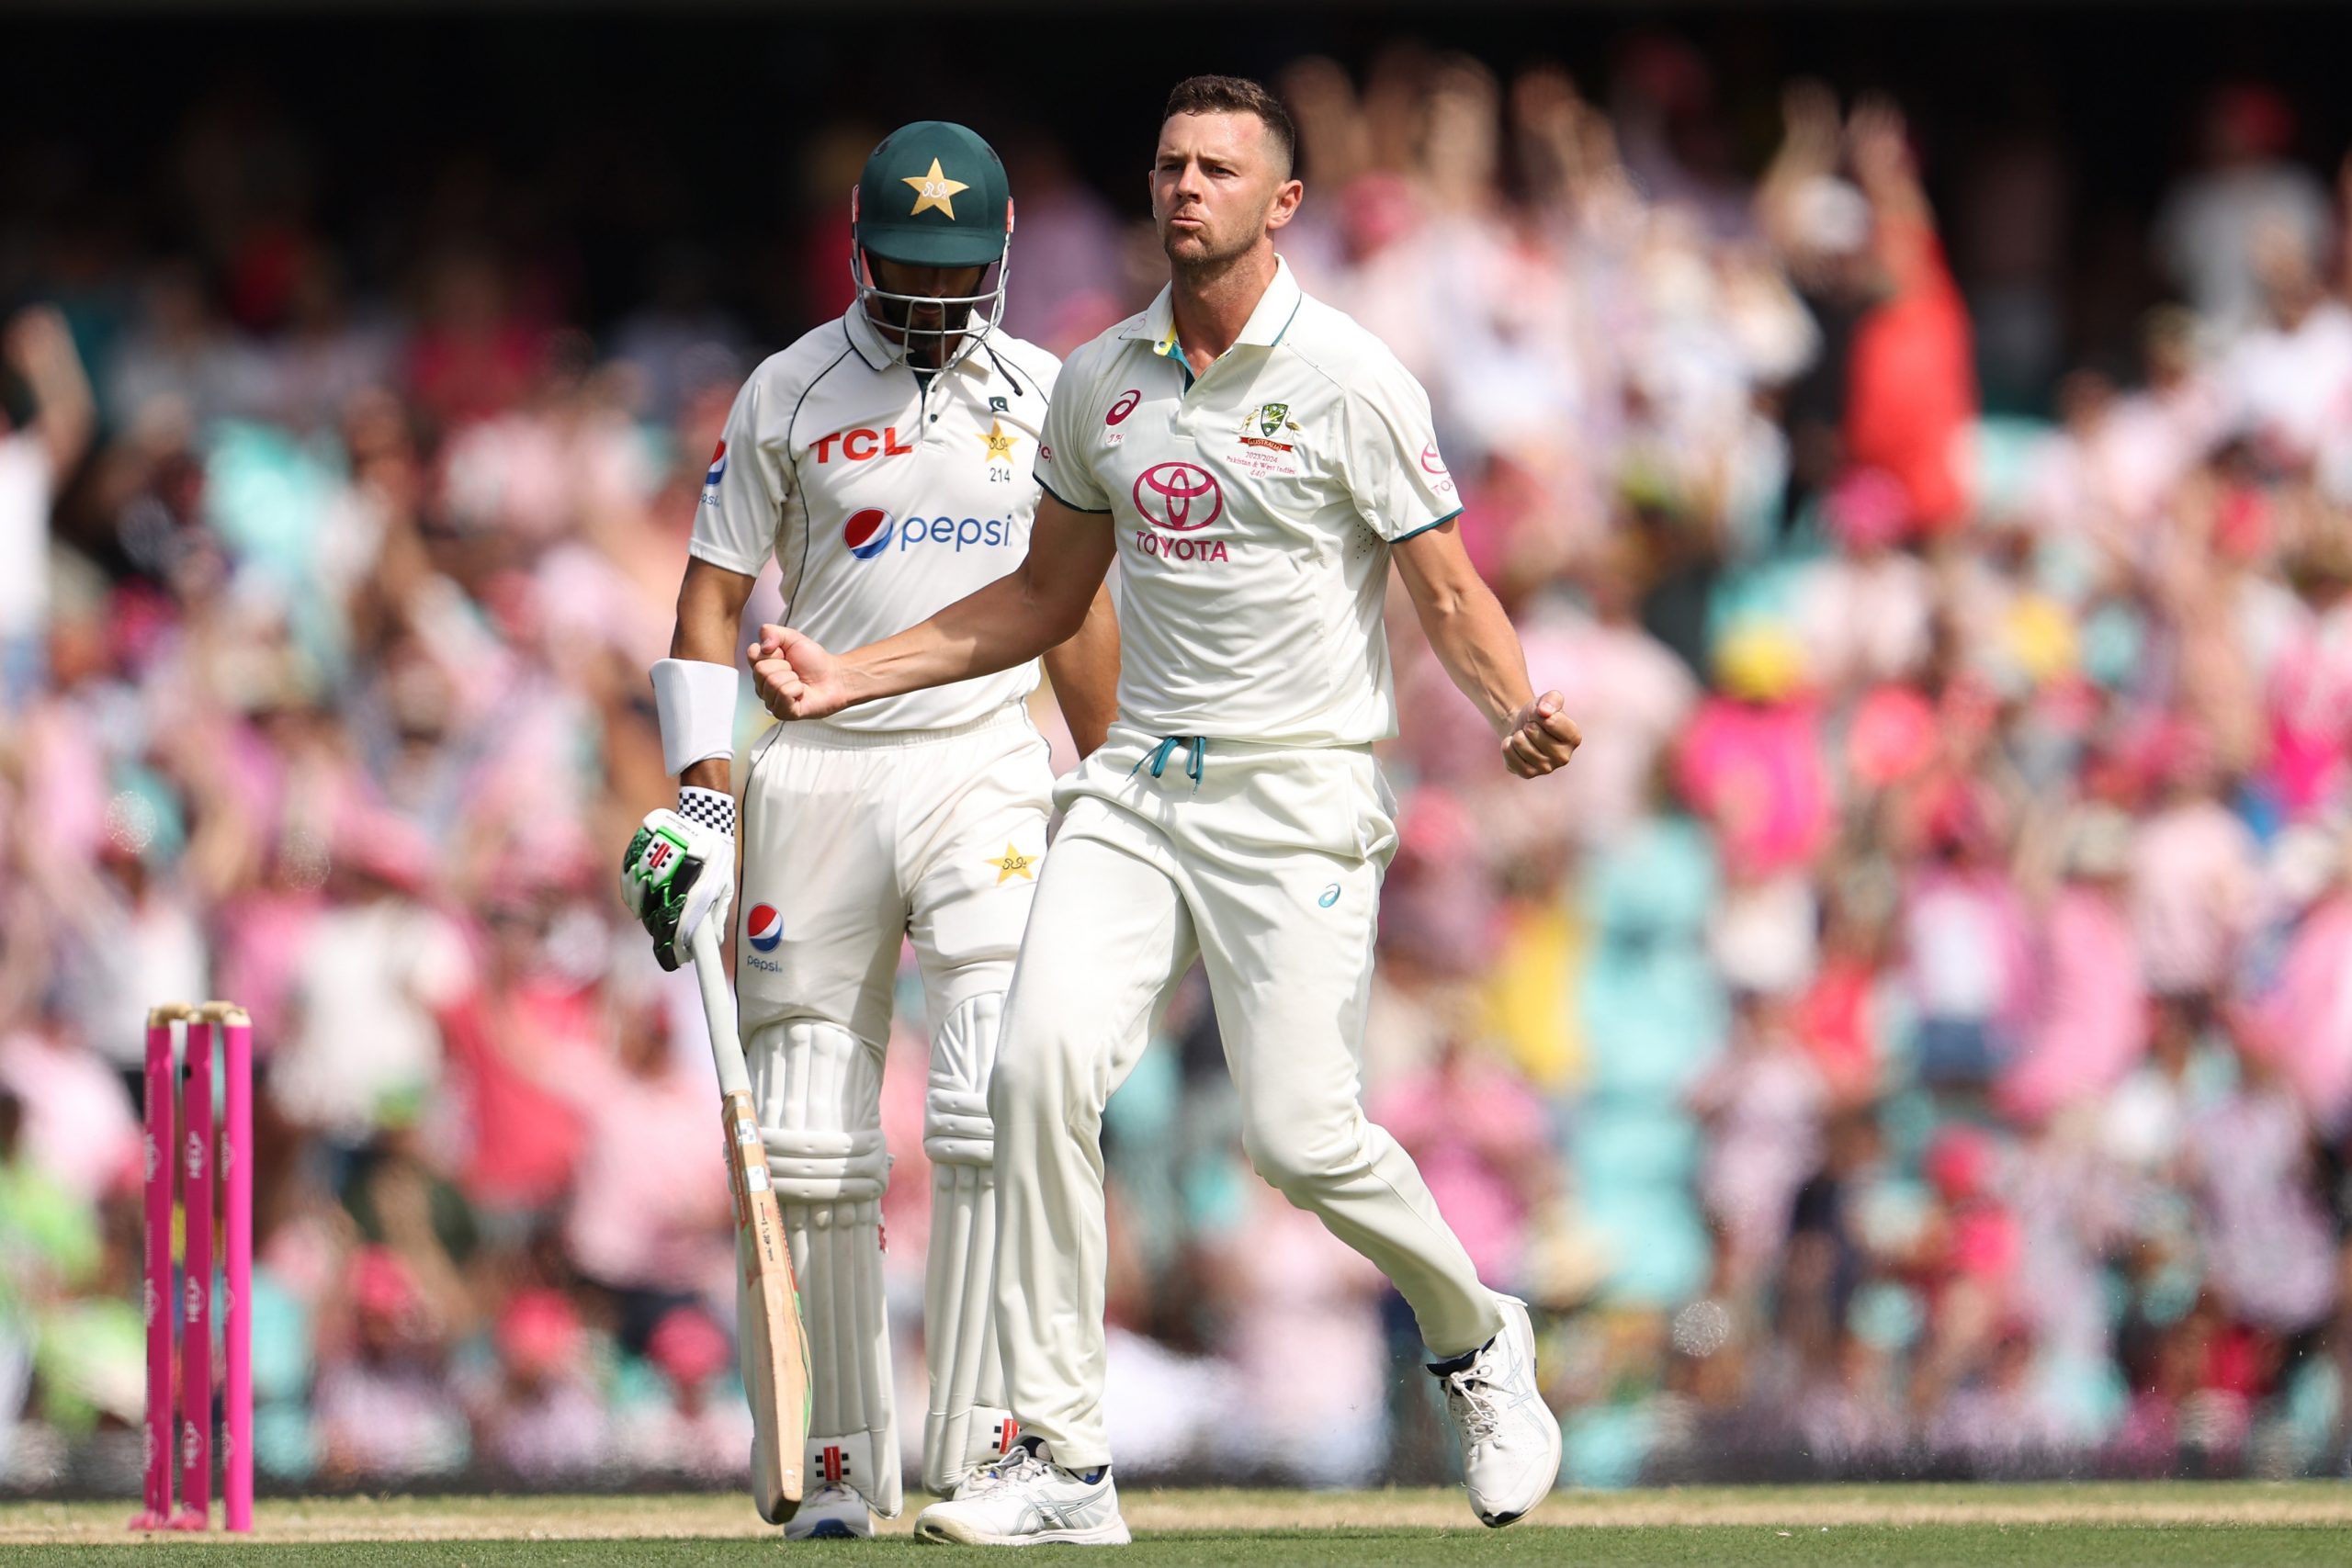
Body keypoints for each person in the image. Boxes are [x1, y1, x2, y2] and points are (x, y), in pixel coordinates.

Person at [747, 76, 1577, 1545]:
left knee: (1302, 1138)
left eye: (1219, 169)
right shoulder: (1097, 382)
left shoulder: (1352, 377)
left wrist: (1516, 708)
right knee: (1030, 1073)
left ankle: (1475, 1340)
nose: (1186, 188)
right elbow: (1040, 601)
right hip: (1134, 786)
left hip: (1297, 795)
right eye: (1171, 165)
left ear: (1284, 204)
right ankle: (1062, 1459)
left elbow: (1445, 587)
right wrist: (846, 674)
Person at [618, 120, 1118, 1540]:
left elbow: (1070, 607)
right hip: (819, 772)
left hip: (983, 761)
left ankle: (985, 1452)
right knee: (812, 1141)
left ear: (1005, 257)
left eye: (955, 272)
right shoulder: (790, 387)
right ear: (854, 242)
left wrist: (1119, 783)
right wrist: (703, 793)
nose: (929, 297)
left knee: (989, 1101)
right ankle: (834, 1464)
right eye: (904, 267)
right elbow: (712, 600)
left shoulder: (1050, 390)